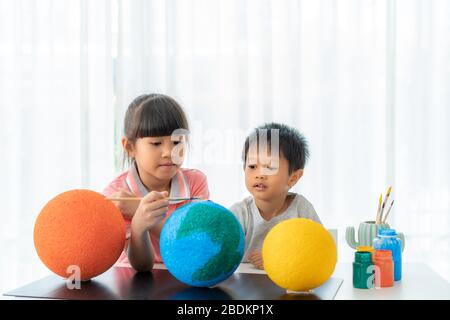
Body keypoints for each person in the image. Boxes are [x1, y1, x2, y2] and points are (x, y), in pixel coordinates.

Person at [103, 93, 209, 271]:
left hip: (185, 274)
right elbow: (142, 266)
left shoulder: (195, 183)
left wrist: (138, 209)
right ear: (130, 147)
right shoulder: (118, 195)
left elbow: (195, 245)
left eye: (177, 141)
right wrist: (138, 225)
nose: (169, 152)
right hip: (132, 280)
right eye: (156, 143)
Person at [230, 122, 321, 269]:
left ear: (293, 177)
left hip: (290, 282)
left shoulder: (301, 209)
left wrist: (276, 258)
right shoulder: (240, 213)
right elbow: (221, 253)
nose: (259, 174)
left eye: (270, 167)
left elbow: (319, 249)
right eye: (252, 166)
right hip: (246, 283)